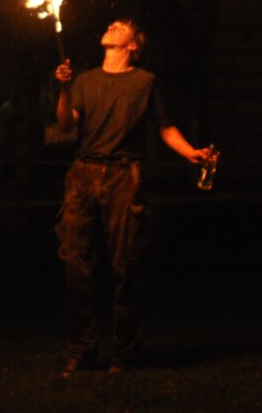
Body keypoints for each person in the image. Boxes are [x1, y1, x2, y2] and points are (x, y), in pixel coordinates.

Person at [53, 19, 213, 377]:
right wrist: (64, 89)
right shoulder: (84, 80)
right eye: (111, 24)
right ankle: (82, 351)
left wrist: (191, 153)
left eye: (121, 26)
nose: (111, 26)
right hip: (83, 176)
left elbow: (165, 128)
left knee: (125, 266)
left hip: (124, 176)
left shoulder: (145, 82)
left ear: (134, 45)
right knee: (77, 267)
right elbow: (65, 126)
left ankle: (124, 354)